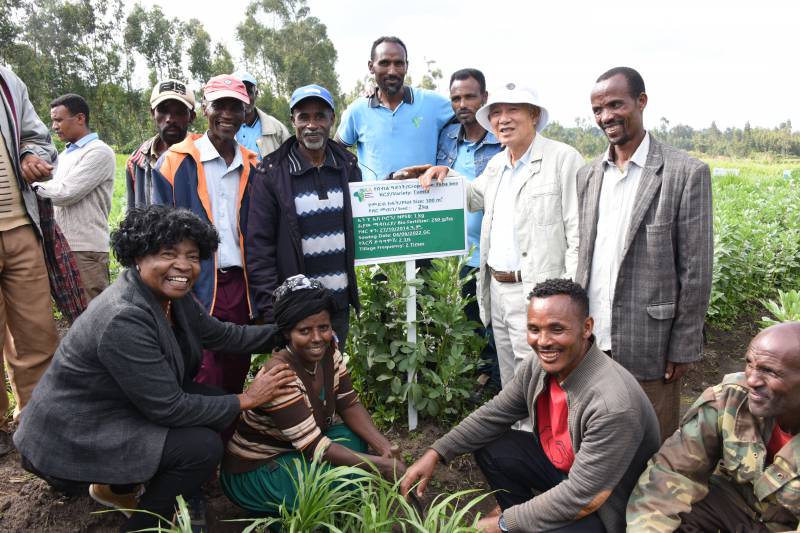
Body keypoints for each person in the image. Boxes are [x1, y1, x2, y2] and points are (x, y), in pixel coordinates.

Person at [14, 205, 296, 533]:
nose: (183, 266)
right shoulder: (123, 316)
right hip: (71, 436)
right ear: (138, 255)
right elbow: (169, 407)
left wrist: (286, 333)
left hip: (112, 408)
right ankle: (142, 525)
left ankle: (118, 488)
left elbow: (221, 335)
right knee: (201, 448)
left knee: (210, 406)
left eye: (193, 256)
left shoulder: (170, 295)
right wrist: (247, 399)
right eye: (167, 253)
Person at [400, 279, 659, 533]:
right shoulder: (539, 366)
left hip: (605, 508)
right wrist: (436, 452)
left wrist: (502, 524)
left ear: (586, 327)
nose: (543, 341)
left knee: (529, 519)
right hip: (564, 474)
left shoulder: (612, 404)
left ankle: (518, 523)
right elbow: (493, 414)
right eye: (534, 329)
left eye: (557, 329)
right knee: (493, 445)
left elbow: (581, 497)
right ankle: (522, 519)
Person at [402, 84, 583, 393]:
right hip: (498, 290)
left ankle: (549, 440)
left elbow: (578, 234)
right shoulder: (498, 165)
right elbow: (474, 197)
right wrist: (444, 171)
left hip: (538, 292)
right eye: (496, 112)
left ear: (534, 115)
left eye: (513, 110)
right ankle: (521, 437)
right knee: (512, 380)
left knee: (546, 380)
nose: (503, 119)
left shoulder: (563, 159)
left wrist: (569, 298)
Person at [575, 67, 713, 440]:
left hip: (650, 342)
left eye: (615, 104)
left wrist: (684, 344)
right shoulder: (588, 176)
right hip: (592, 337)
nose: (606, 117)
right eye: (598, 110)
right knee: (596, 439)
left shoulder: (685, 173)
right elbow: (585, 258)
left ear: (642, 101)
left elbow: (696, 270)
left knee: (651, 443)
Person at [222, 274, 404, 514]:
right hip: (258, 468)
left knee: (356, 439)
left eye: (324, 328)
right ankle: (282, 516)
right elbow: (315, 447)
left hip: (293, 449)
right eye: (304, 330)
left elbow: (348, 403)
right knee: (340, 483)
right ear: (287, 332)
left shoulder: (329, 352)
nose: (317, 338)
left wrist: (384, 448)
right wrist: (380, 465)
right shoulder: (280, 375)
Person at [627, 322, 800, 532]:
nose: (752, 379)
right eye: (749, 364)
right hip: (731, 506)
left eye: (769, 371)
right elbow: (673, 472)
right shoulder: (729, 399)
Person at [152, 74, 259, 396]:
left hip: (240, 284)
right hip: (195, 283)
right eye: (220, 106)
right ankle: (206, 443)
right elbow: (159, 231)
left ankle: (228, 437)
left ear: (246, 112)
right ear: (205, 108)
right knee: (202, 368)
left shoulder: (253, 165)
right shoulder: (175, 162)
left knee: (237, 363)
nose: (227, 114)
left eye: (236, 107)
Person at [246, 84, 360, 341]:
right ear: (292, 121)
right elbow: (258, 247)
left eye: (320, 116)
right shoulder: (271, 173)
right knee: (297, 379)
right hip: (297, 308)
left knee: (333, 372)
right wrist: (271, 308)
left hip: (337, 306)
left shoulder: (348, 166)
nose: (312, 124)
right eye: (304, 117)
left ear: (332, 119)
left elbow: (368, 211)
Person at [0, 65, 60, 456]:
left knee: (38, 332)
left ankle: (37, 421)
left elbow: (38, 136)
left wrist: (29, 154)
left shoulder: (7, 81)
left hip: (20, 225)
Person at [437, 68, 502, 396]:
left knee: (491, 321)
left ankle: (493, 382)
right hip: (452, 251)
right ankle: (471, 378)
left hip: (489, 250)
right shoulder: (448, 138)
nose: (462, 104)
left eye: (469, 96)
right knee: (465, 319)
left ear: (484, 99)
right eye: (456, 98)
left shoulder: (501, 140)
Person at [30, 93, 115, 300]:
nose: (54, 126)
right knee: (74, 313)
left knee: (93, 314)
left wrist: (28, 187)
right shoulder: (65, 155)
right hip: (64, 245)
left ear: (80, 118)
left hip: (85, 249)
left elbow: (66, 193)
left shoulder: (98, 152)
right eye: (53, 120)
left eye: (59, 119)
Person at [335, 36, 453, 181]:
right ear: (371, 67)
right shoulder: (357, 110)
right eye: (384, 63)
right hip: (375, 202)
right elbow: (335, 152)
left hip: (427, 198)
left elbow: (469, 118)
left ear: (406, 66)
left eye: (398, 63)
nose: (392, 71)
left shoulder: (433, 103)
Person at [126, 78, 197, 209]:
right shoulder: (136, 161)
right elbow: (132, 213)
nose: (170, 119)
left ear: (191, 117)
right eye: (163, 111)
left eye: (179, 112)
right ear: (153, 113)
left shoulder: (203, 156)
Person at [231, 70, 290, 159]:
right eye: (239, 93)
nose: (244, 98)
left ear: (256, 94)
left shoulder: (276, 128)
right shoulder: (222, 127)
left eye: (248, 92)